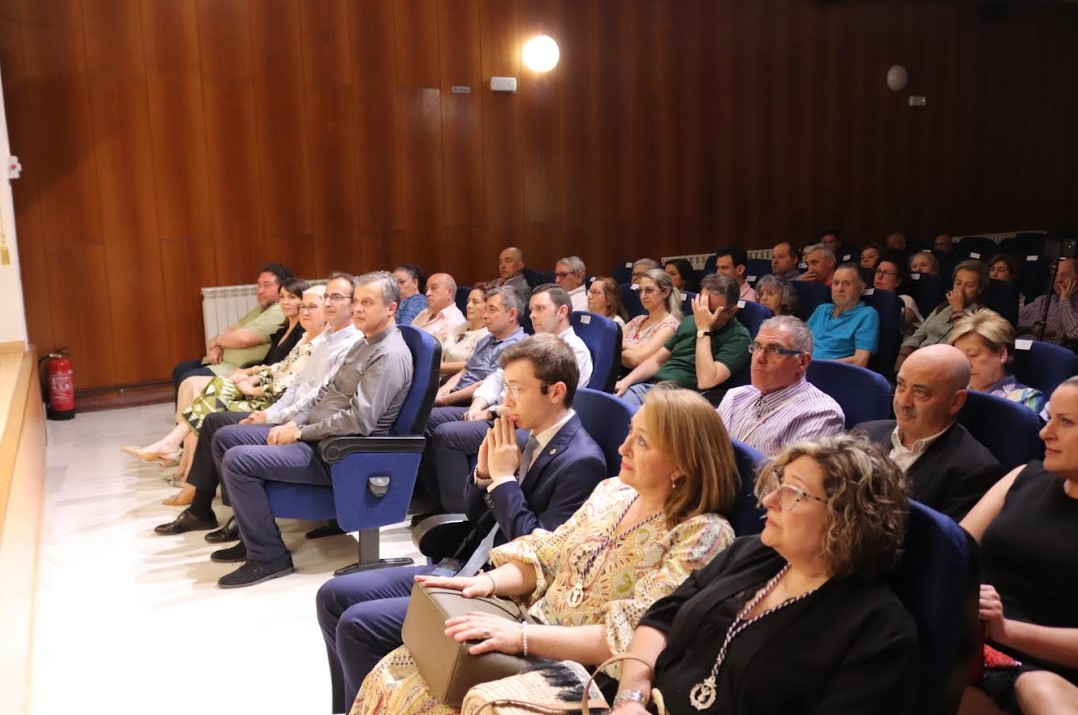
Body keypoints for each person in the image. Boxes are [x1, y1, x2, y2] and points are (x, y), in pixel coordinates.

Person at [351, 388, 740, 715]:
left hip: (580, 670)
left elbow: (634, 634)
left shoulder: (703, 534)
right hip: (527, 628)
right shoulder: (613, 491)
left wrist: (518, 637)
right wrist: (482, 583)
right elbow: (546, 554)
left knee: (432, 702)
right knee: (397, 671)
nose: (623, 447)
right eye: (630, 433)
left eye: (642, 441)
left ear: (682, 465)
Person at [316, 334, 609, 713]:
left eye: (517, 390)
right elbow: (475, 513)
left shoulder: (582, 461)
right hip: (466, 560)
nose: (506, 401)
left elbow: (540, 554)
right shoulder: (523, 435)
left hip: (504, 591)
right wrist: (486, 473)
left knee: (359, 625)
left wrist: (504, 480)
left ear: (555, 392)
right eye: (507, 388)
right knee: (332, 595)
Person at [610, 433, 917, 715]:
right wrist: (631, 696)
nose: (769, 501)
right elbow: (660, 617)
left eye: (794, 493)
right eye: (778, 485)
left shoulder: (878, 630)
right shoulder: (752, 553)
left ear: (846, 517)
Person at [204, 270, 414, 588]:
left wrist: (300, 433)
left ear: (391, 308)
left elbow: (359, 422)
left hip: (342, 455)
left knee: (238, 460)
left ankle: (268, 556)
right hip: (317, 435)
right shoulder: (364, 342)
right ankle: (252, 536)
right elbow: (324, 393)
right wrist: (295, 421)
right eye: (356, 302)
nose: (357, 309)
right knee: (225, 437)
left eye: (367, 303)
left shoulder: (389, 355)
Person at [150, 273, 361, 542]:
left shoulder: (344, 343)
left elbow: (316, 397)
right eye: (321, 300)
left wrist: (273, 414)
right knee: (214, 418)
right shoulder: (321, 338)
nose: (309, 309)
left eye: (326, 301)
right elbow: (296, 383)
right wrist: (266, 402)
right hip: (285, 407)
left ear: (353, 305)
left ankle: (240, 518)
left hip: (299, 420)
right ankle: (202, 509)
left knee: (223, 426)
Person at [124, 282, 323, 506]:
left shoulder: (317, 342)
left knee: (209, 408)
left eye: (310, 306)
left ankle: (180, 465)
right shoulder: (305, 337)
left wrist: (252, 386)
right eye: (302, 305)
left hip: (276, 404)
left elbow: (291, 383)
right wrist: (250, 376)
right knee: (209, 392)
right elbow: (279, 368)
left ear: (327, 311)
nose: (302, 310)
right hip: (269, 391)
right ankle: (178, 460)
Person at [958, 378, 1078, 715]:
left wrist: (1008, 632)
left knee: (1036, 689)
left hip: (1051, 669)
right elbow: (956, 552)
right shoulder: (1022, 476)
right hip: (974, 646)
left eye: (1066, 422)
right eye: (1050, 417)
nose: (1045, 432)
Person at [856, 344, 1004, 520]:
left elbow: (938, 545)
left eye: (920, 393)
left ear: (956, 401)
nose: (903, 401)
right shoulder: (864, 433)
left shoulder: (975, 471)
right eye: (901, 386)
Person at [615, 273, 750, 406]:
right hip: (656, 387)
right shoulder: (689, 321)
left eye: (712, 310)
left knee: (636, 420)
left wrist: (703, 330)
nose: (704, 314)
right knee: (615, 405)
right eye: (701, 305)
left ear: (732, 311)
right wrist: (625, 382)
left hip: (687, 399)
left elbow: (706, 381)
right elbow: (657, 360)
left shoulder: (739, 337)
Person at [718, 316, 844, 456]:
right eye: (757, 346)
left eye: (775, 350)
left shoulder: (821, 414)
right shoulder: (736, 396)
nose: (760, 358)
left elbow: (790, 477)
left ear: (802, 362)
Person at [170, 263, 292, 393]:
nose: (260, 291)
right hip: (221, 362)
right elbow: (228, 331)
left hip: (237, 368)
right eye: (259, 285)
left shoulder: (279, 310)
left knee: (187, 377)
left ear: (283, 288)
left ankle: (197, 413)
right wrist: (216, 345)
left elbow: (244, 338)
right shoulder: (260, 310)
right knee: (181, 368)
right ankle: (185, 413)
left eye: (267, 285)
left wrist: (217, 341)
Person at [896, 259, 987, 371]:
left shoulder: (982, 315)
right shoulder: (943, 306)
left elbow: (966, 344)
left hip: (946, 368)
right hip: (918, 360)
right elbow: (919, 334)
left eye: (969, 285)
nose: (961, 290)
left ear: (979, 289)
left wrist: (957, 309)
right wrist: (903, 355)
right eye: (958, 283)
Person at [950, 309, 1046, 415]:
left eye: (973, 355)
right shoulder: (955, 392)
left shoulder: (1026, 399)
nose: (965, 364)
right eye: (960, 356)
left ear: (1002, 354)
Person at [804, 263, 879, 367]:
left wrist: (816, 365)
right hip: (801, 370)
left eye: (847, 284)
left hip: (831, 375)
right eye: (836, 283)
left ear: (861, 288)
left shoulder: (867, 314)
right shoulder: (822, 309)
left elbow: (860, 361)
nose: (839, 289)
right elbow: (799, 341)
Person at [620, 269, 681, 370]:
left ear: (665, 292)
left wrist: (623, 345)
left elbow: (636, 360)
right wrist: (629, 350)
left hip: (645, 381)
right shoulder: (638, 320)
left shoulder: (669, 326)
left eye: (649, 290)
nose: (643, 296)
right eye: (640, 291)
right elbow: (609, 342)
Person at [1018, 257, 1078, 348]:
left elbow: (1074, 333)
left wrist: (1064, 301)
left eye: (1064, 274)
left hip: (1052, 357)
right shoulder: (1042, 300)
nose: (1058, 280)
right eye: (1055, 275)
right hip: (1023, 350)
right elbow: (1013, 322)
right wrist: (1034, 327)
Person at [439, 287, 490, 377]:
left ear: (488, 307)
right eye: (468, 301)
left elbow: (471, 365)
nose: (469, 306)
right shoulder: (462, 326)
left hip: (457, 381)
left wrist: (437, 367)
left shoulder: (488, 335)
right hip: (437, 375)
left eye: (475, 302)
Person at [874, 254, 924, 337]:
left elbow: (894, 325)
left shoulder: (904, 300)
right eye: (878, 271)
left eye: (887, 273)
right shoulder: (868, 298)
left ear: (898, 281)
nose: (880, 276)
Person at [410, 272, 465, 342]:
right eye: (427, 289)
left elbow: (437, 352)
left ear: (449, 292)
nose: (427, 293)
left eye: (433, 288)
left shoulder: (454, 321)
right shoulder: (425, 312)